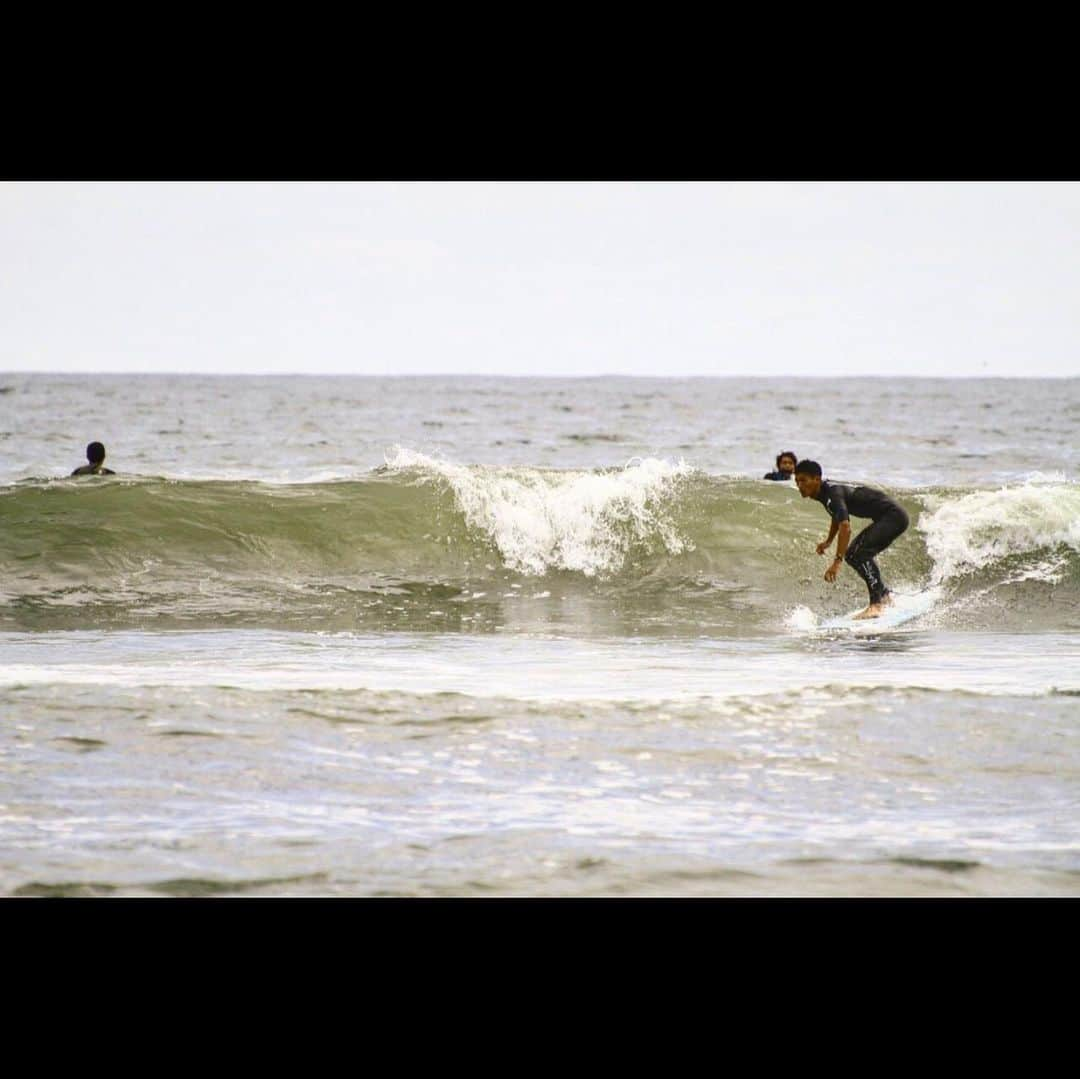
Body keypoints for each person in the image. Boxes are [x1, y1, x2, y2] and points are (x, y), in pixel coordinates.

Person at [794, 459, 908, 619]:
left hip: (893, 516)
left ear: (817, 479)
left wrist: (837, 562)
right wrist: (828, 541)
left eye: (803, 480)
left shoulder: (832, 494)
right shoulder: (824, 494)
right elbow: (837, 516)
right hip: (888, 517)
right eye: (797, 481)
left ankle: (876, 604)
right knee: (855, 554)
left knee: (858, 553)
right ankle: (884, 596)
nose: (799, 485)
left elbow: (845, 527)